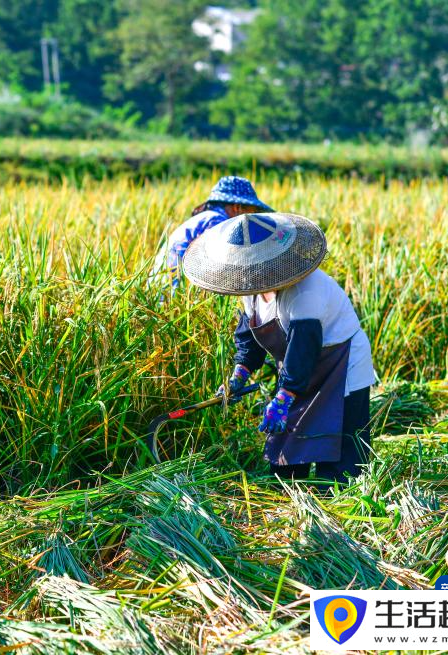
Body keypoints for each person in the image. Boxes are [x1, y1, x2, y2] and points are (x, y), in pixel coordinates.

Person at [181, 212, 377, 483]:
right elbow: (249, 339)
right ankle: (291, 496)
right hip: (298, 371)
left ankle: (335, 502)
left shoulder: (304, 293)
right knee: (284, 454)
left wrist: (283, 398)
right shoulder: (251, 293)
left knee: (341, 459)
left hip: (340, 363)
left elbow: (303, 350)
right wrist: (239, 374)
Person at [151, 176, 274, 289]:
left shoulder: (208, 217)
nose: (251, 217)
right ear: (237, 207)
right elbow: (220, 264)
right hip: (172, 291)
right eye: (251, 212)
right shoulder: (217, 221)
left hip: (162, 287)